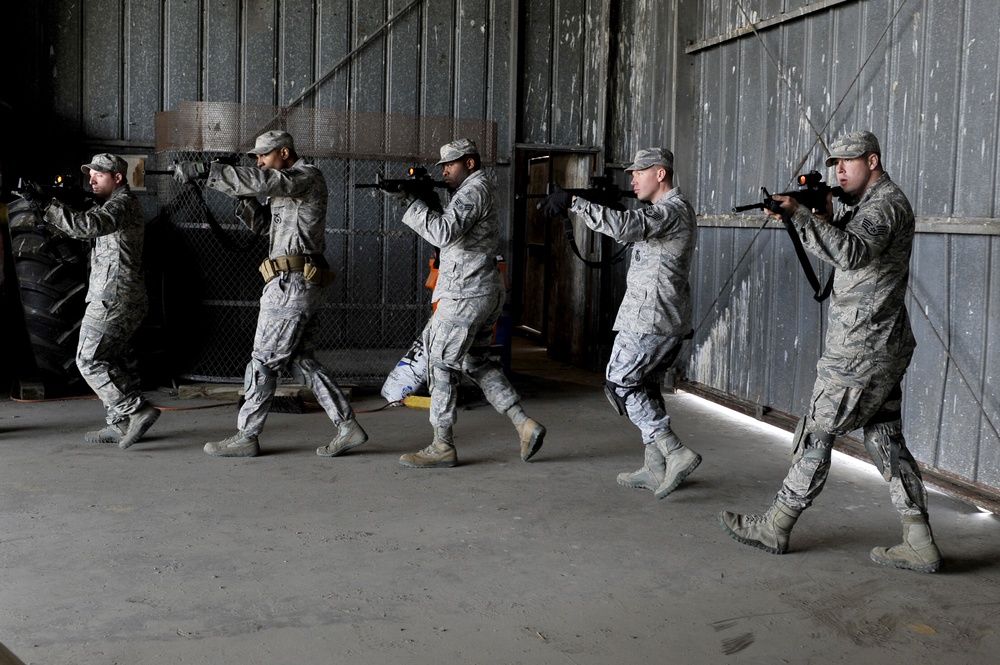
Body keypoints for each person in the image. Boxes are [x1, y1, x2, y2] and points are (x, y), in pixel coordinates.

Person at [718, 131, 943, 573]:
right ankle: (919, 540)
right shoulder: (866, 206)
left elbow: (855, 253)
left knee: (818, 430)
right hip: (879, 343)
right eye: (835, 162)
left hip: (861, 348)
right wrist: (821, 215)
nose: (839, 169)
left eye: (849, 161)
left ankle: (777, 525)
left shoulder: (884, 205)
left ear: (873, 161)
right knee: (886, 438)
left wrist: (803, 215)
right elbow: (845, 251)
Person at [173, 130, 367, 458]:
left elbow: (267, 182)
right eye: (256, 159)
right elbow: (266, 226)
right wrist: (241, 196)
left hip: (292, 283)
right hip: (294, 282)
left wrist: (209, 173)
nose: (259, 162)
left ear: (285, 153)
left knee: (262, 362)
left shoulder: (304, 176)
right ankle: (347, 426)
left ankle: (247, 435)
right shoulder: (285, 185)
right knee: (302, 361)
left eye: (263, 156)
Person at [542, 148, 701, 499]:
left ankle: (675, 452)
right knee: (643, 387)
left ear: (660, 174)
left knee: (621, 383)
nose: (632, 179)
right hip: (656, 316)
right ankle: (655, 466)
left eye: (639, 172)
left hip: (651, 318)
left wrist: (576, 202)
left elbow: (628, 226)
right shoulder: (664, 213)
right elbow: (630, 229)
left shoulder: (671, 210)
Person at [385, 138, 545, 468]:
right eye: (442, 165)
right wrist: (426, 198)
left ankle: (442, 445)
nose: (444, 171)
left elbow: (444, 233)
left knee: (440, 362)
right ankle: (523, 422)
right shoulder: (473, 190)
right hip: (480, 289)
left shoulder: (474, 190)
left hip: (465, 293)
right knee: (476, 361)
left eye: (451, 165)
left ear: (469, 163)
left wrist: (413, 203)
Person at [31, 153, 160, 449]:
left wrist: (49, 205)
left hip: (114, 297)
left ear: (117, 178)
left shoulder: (121, 204)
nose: (91, 179)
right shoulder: (112, 205)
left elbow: (88, 226)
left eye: (98, 175)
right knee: (109, 359)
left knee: (88, 360)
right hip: (115, 295)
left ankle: (136, 410)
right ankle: (119, 423)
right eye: (90, 174)